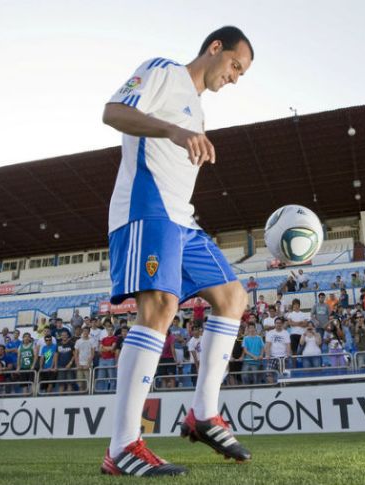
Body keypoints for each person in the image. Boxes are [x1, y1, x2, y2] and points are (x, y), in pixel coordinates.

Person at [99, 26, 254, 476]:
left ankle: (204, 414)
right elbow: (112, 112)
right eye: (235, 66)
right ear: (215, 48)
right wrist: (172, 130)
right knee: (160, 308)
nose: (235, 78)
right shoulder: (163, 71)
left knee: (232, 298)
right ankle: (123, 446)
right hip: (146, 210)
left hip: (181, 220)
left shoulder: (199, 112)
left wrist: (185, 130)